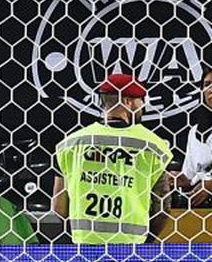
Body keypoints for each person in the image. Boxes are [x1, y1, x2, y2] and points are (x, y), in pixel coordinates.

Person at [52, 74, 173, 244]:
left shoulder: (70, 144)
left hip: (84, 244)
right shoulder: (153, 146)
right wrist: (147, 242)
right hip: (132, 246)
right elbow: (162, 207)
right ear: (127, 101)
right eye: (140, 101)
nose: (143, 108)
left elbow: (58, 206)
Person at [174, 66, 212, 209]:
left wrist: (210, 185)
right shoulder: (195, 131)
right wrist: (180, 179)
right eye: (207, 84)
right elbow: (190, 175)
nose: (211, 89)